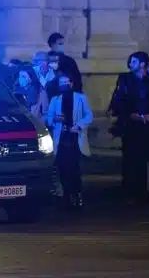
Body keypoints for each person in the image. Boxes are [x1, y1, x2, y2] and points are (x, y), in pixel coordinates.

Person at [108, 52, 149, 206]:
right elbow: (120, 99)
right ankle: (136, 194)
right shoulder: (126, 79)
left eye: (134, 61)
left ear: (142, 64)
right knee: (134, 161)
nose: (130, 64)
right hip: (132, 126)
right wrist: (127, 114)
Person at [46, 72, 93, 209]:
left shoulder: (81, 98)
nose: (64, 85)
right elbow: (49, 117)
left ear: (71, 83)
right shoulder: (55, 99)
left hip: (74, 136)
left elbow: (89, 115)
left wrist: (78, 126)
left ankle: (77, 194)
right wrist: (55, 119)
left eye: (66, 82)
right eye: (61, 83)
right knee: (62, 167)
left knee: (75, 168)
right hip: (61, 137)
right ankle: (65, 195)